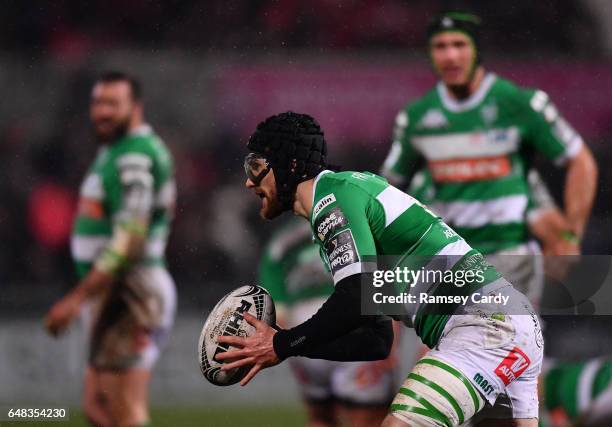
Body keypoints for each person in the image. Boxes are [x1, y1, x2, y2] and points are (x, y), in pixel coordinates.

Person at [217, 111, 544, 426]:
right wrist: (288, 347)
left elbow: (355, 295)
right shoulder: (345, 195)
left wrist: (281, 344)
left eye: (256, 166)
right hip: (508, 321)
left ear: (289, 165)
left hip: (484, 326)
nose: (249, 182)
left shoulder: (332, 199)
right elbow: (376, 340)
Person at [380, 12, 597, 305]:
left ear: (477, 50)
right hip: (450, 262)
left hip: (510, 256)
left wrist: (571, 235)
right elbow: (388, 190)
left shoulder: (520, 104)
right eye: (440, 46)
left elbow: (580, 161)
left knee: (496, 340)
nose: (450, 55)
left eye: (459, 44)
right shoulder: (416, 119)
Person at [44, 71, 177, 427]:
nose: (102, 112)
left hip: (130, 291)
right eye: (98, 102)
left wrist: (76, 298)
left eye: (112, 104)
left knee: (125, 409)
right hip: (113, 292)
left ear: (135, 108)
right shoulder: (117, 151)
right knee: (98, 407)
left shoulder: (134, 157)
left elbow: (130, 237)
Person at [260, 217, 399, 427]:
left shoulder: (282, 241)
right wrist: (392, 342)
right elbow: (382, 286)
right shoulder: (358, 226)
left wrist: (292, 346)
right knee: (368, 418)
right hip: (354, 327)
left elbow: (278, 311)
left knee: (320, 418)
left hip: (304, 330)